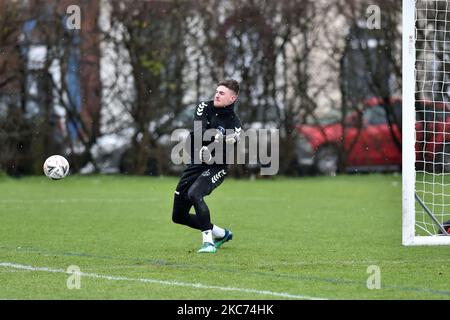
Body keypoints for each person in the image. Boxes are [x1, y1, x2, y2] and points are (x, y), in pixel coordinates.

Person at [171, 79, 242, 253]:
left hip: (217, 166)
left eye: (222, 93)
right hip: (196, 164)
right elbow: (198, 131)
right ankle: (221, 233)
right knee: (178, 216)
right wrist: (214, 136)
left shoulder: (234, 123)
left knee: (195, 194)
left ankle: (208, 243)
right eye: (217, 91)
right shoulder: (204, 106)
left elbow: (227, 149)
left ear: (232, 98)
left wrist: (217, 148)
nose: (217, 95)